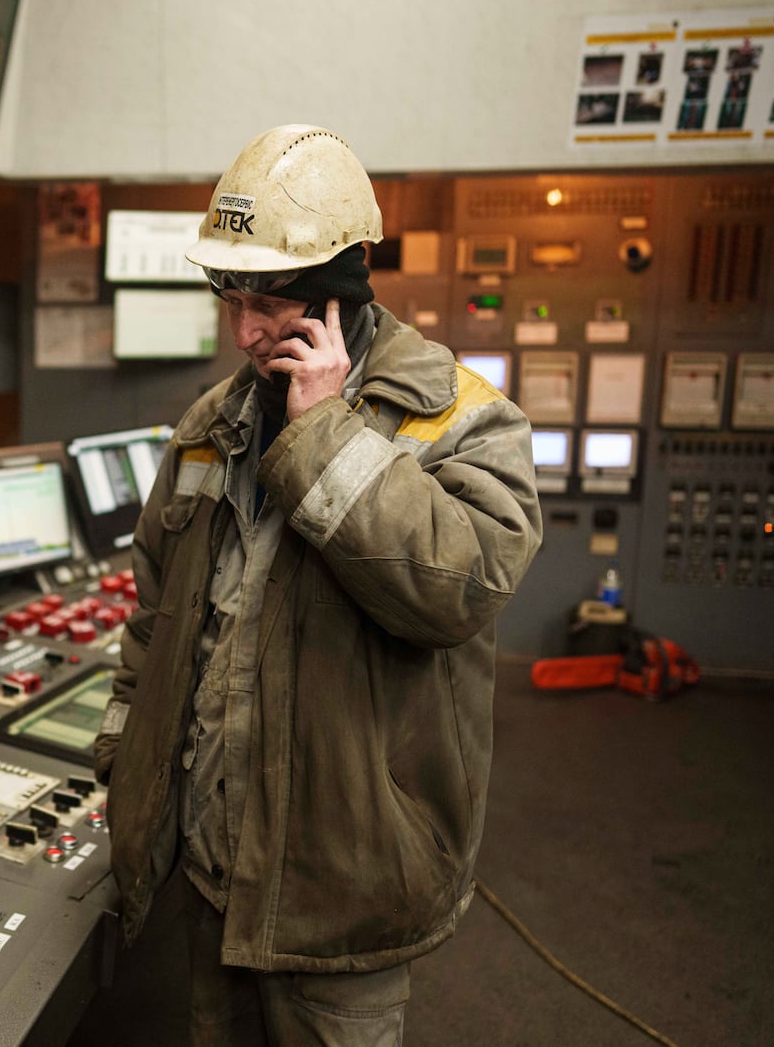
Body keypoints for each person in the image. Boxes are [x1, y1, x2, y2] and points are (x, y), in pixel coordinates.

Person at [93, 124, 543, 1045]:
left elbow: (461, 590)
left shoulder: (462, 421)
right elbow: (156, 621)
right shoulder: (208, 426)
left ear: (342, 285)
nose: (247, 330)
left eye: (271, 300)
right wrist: (122, 763)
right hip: (214, 871)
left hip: (342, 892)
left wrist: (328, 435)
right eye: (231, 297)